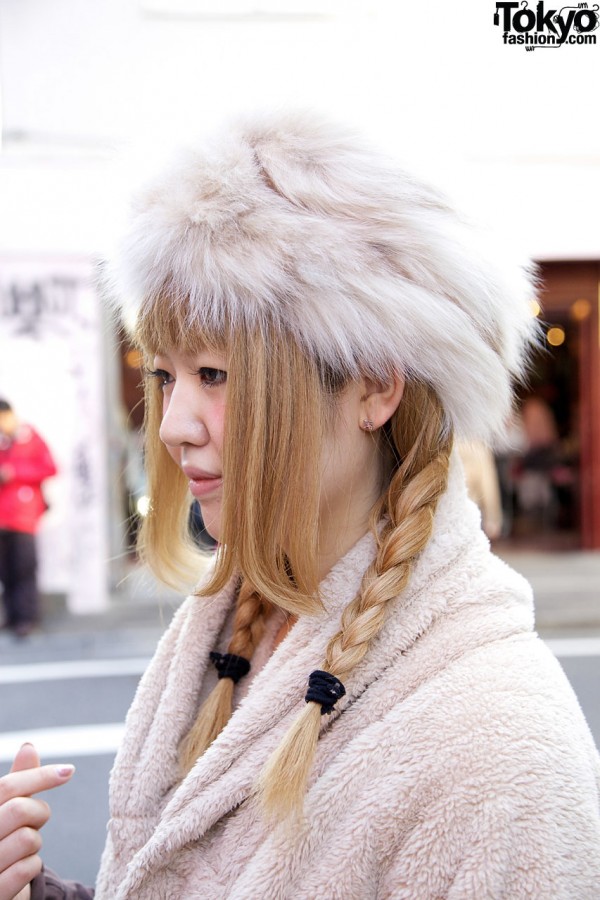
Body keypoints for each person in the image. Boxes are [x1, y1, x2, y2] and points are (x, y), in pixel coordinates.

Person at [1, 112, 599, 899]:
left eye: (214, 374)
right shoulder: (237, 621)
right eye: (164, 375)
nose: (174, 425)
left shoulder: (498, 753)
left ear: (376, 386)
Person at [0, 399, 57, 638]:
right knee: (6, 571)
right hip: (3, 518)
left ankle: (28, 618)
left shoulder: (30, 436)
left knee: (24, 568)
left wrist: (15, 473)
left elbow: (50, 468)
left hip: (24, 519)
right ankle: (12, 617)